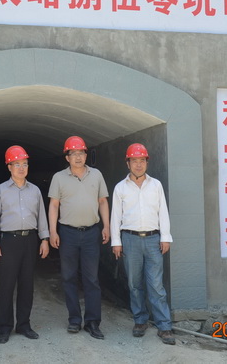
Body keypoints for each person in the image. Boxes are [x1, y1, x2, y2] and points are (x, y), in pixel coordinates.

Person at [110, 143, 175, 345]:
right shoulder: (120, 188)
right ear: (128, 163)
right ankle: (140, 320)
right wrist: (116, 241)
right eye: (134, 161)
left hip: (154, 239)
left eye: (142, 160)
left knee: (156, 284)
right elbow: (115, 216)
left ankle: (164, 325)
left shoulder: (156, 185)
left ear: (147, 162)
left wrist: (165, 237)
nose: (138, 164)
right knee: (134, 284)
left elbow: (163, 212)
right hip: (130, 240)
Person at [0, 145, 50, 344]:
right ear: (9, 167)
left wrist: (44, 239)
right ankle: (4, 327)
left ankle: (23, 325)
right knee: (6, 285)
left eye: (24, 164)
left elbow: (41, 217)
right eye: (17, 164)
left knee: (27, 284)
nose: (21, 168)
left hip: (30, 240)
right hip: (8, 241)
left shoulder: (35, 191)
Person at [48, 136, 110, 339]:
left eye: (81, 153)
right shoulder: (59, 178)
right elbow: (54, 205)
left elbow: (102, 201)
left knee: (92, 279)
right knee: (69, 277)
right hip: (68, 233)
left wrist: (106, 226)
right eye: (73, 153)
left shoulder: (96, 175)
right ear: (67, 157)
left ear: (86, 155)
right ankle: (74, 319)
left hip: (91, 232)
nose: (78, 157)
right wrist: (53, 231)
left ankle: (92, 322)